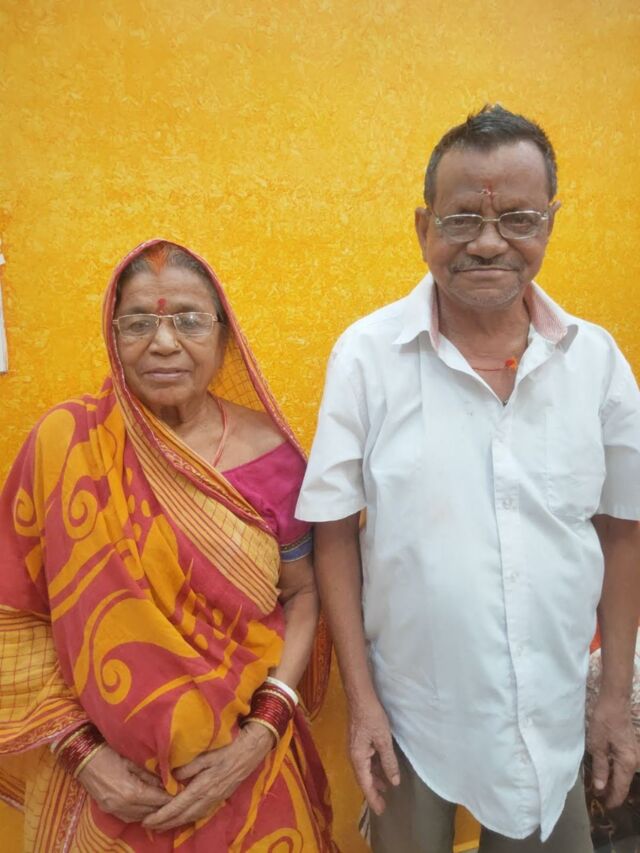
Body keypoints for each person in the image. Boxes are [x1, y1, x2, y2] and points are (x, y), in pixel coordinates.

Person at [296, 105, 640, 852]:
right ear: (424, 228)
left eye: (518, 218)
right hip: (411, 711)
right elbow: (334, 535)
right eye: (461, 220)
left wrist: (613, 698)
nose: (488, 242)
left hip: (550, 713)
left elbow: (622, 532)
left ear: (550, 223)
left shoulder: (596, 362)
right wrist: (362, 705)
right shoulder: (367, 357)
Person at [0, 239, 336, 851]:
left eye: (188, 320)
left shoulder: (276, 458)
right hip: (104, 789)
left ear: (224, 336)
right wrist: (81, 752)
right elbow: (14, 613)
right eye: (137, 323)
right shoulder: (63, 444)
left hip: (247, 771)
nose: (162, 343)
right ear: (112, 336)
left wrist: (264, 728)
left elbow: (304, 593)